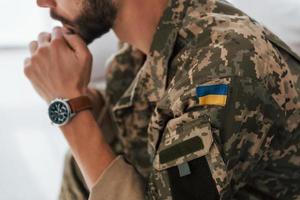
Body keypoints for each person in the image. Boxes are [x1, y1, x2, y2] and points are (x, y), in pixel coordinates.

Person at [24, 0, 300, 199]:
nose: (42, 2)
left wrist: (70, 108)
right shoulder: (133, 57)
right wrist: (86, 104)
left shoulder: (224, 69)